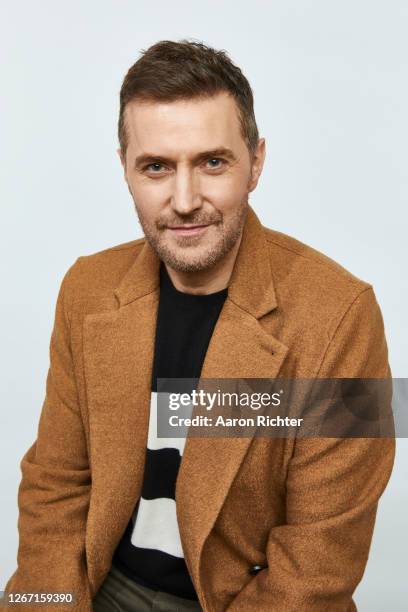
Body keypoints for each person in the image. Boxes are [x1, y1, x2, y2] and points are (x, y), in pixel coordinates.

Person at [2, 39, 395, 612]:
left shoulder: (344, 315)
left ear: (256, 162)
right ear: (125, 170)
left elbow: (319, 561)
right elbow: (55, 487)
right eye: (157, 167)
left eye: (213, 162)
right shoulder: (85, 289)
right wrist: (46, 603)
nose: (184, 200)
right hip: (100, 583)